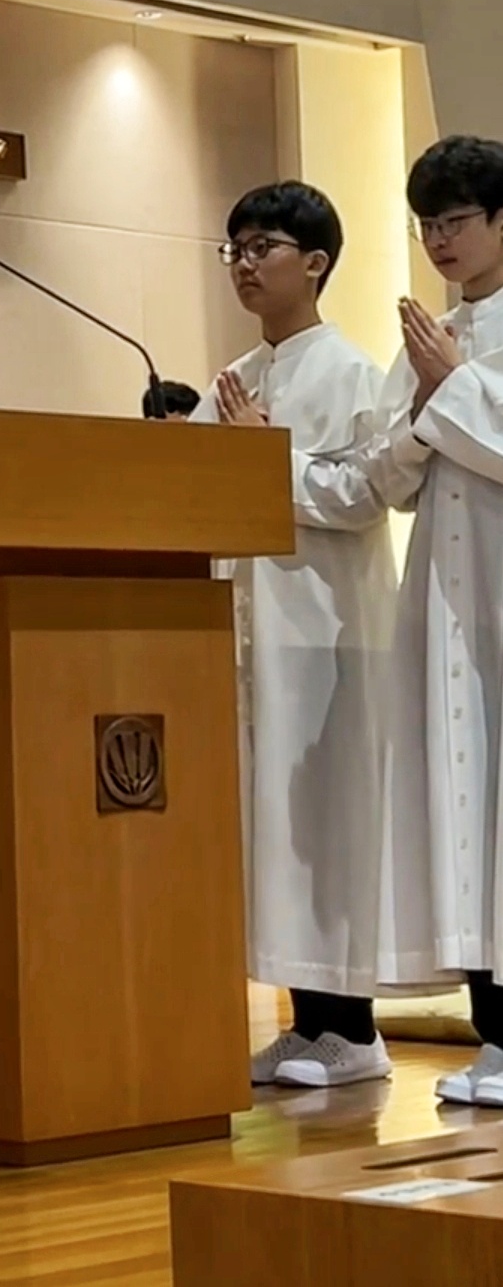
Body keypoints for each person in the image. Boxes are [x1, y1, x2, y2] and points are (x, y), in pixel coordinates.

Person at [193, 182, 396, 1089]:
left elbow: (364, 495)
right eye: (233, 248)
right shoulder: (236, 376)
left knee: (326, 826)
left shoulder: (352, 373)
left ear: (313, 263)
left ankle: (353, 1030)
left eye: (261, 247)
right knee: (274, 826)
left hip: (328, 634)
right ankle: (306, 1025)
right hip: (253, 634)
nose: (242, 264)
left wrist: (262, 456)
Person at [369, 137, 503, 1108]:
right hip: (447, 603)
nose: (438, 241)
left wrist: (453, 385)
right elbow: (383, 475)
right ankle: (493, 1035)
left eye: (454, 220)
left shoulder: (452, 346)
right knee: (463, 810)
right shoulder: (431, 335)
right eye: (425, 225)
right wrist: (424, 402)